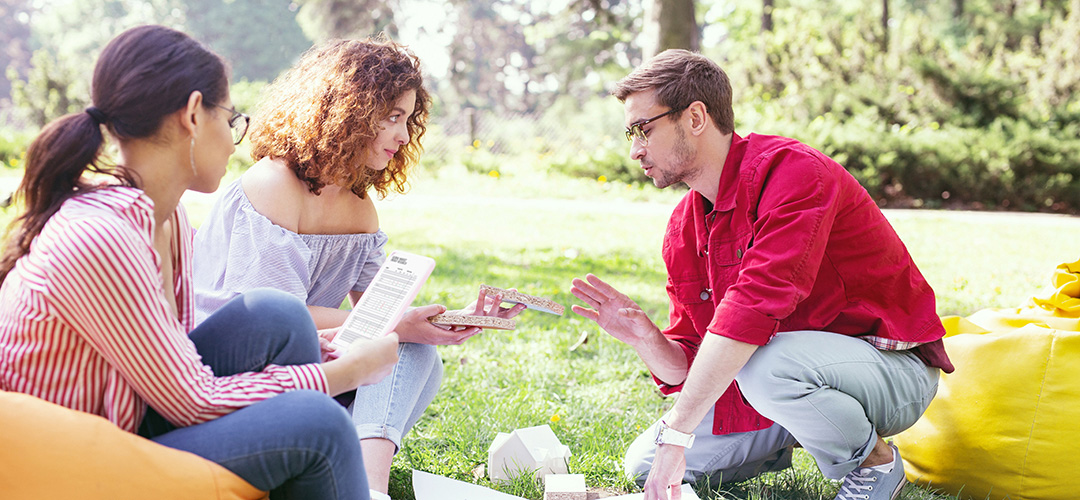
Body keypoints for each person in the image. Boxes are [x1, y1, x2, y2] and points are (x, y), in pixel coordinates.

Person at [0, 25, 401, 500]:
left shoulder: (165, 219)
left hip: (128, 414)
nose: (236, 141)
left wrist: (319, 350)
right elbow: (192, 398)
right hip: (68, 456)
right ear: (193, 114)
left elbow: (176, 358)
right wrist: (347, 372)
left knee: (277, 314)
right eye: (231, 119)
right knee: (322, 424)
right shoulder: (103, 237)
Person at [570, 49, 955, 500]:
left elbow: (752, 308)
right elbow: (694, 364)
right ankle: (792, 429)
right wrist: (644, 338)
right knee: (646, 466)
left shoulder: (794, 174)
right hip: (776, 381)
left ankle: (875, 464)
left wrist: (677, 434)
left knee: (765, 368)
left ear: (695, 117)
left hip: (890, 372)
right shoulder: (683, 227)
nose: (635, 149)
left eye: (643, 129)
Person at [191, 36, 524, 498]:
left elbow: (378, 311)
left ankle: (370, 482)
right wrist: (397, 326)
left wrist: (455, 318)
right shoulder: (274, 184)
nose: (404, 136)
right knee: (395, 339)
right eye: (391, 117)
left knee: (416, 354)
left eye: (407, 120)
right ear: (348, 109)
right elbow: (275, 319)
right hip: (244, 366)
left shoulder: (360, 209)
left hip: (316, 361)